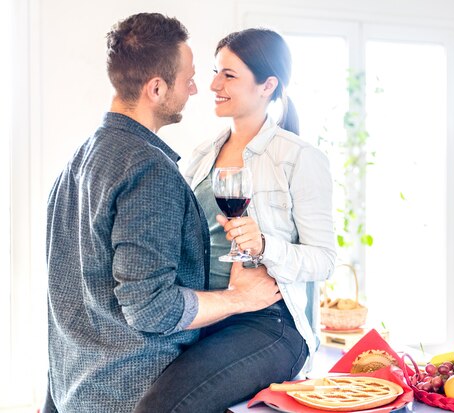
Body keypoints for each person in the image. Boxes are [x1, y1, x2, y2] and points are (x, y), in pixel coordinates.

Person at [43, 14, 282, 413]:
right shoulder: (148, 170)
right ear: (156, 88)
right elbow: (152, 308)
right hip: (132, 393)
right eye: (188, 78)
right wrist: (239, 297)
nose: (195, 88)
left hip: (74, 391)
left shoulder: (78, 161)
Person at [133, 28, 336, 412]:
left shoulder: (298, 158)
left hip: (268, 323)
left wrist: (265, 247)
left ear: (267, 85)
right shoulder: (199, 156)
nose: (212, 84)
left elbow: (324, 259)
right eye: (215, 72)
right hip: (206, 312)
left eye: (229, 75)